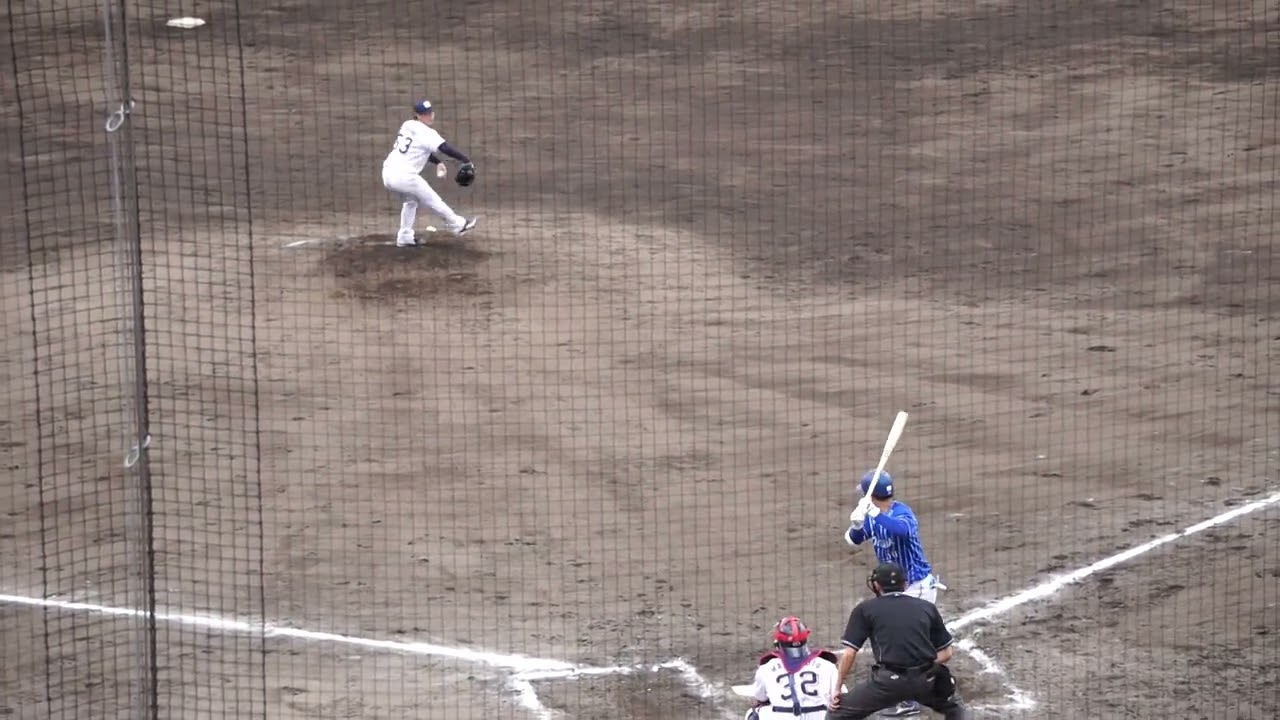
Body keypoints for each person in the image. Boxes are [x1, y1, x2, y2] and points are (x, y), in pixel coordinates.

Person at [844, 469, 945, 716]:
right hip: (894, 586)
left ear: (872, 494)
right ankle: (927, 683)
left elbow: (903, 530)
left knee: (908, 644)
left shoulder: (902, 512)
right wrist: (857, 524)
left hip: (917, 586)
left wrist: (875, 514)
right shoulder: (870, 515)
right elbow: (852, 540)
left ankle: (912, 698)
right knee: (905, 640)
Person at [826, 564, 966, 720]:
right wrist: (921, 668)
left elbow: (849, 654)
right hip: (925, 681)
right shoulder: (927, 607)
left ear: (876, 585)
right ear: (905, 584)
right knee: (956, 708)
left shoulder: (865, 609)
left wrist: (837, 688)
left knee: (836, 714)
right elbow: (947, 653)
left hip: (886, 684)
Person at [380, 99, 478, 246]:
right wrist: (466, 160)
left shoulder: (408, 125)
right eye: (425, 114)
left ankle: (405, 237)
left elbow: (419, 148)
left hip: (388, 173)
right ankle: (458, 225)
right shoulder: (428, 133)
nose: (429, 116)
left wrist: (438, 162)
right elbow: (445, 148)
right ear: (417, 115)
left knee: (411, 201)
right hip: (404, 177)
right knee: (432, 200)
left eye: (430, 113)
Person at [745, 616, 842, 719]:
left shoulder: (767, 668)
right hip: (820, 716)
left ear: (779, 642)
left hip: (782, 717)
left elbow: (760, 698)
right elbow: (841, 697)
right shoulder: (827, 665)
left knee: (753, 714)